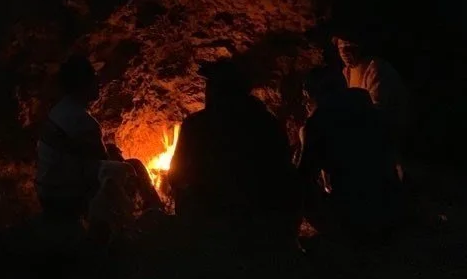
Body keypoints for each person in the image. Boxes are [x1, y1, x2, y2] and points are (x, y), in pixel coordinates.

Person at [168, 59, 299, 244]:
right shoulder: (267, 123)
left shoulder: (198, 125)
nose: (207, 91)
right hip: (261, 221)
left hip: (213, 219)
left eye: (210, 85)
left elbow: (177, 173)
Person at [298, 67, 403, 246]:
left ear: (312, 94)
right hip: (393, 206)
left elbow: (304, 178)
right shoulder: (375, 113)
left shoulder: (319, 123)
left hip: (353, 215)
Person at [35, 55, 133, 224]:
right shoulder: (84, 122)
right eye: (93, 78)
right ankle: (124, 224)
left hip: (45, 191)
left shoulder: (58, 110)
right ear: (82, 84)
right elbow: (103, 164)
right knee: (130, 170)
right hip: (63, 198)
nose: (99, 83)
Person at [334, 34, 408, 179]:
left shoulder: (376, 69)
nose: (344, 52)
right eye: (340, 47)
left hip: (389, 135)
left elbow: (377, 109)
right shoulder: (347, 72)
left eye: (349, 47)